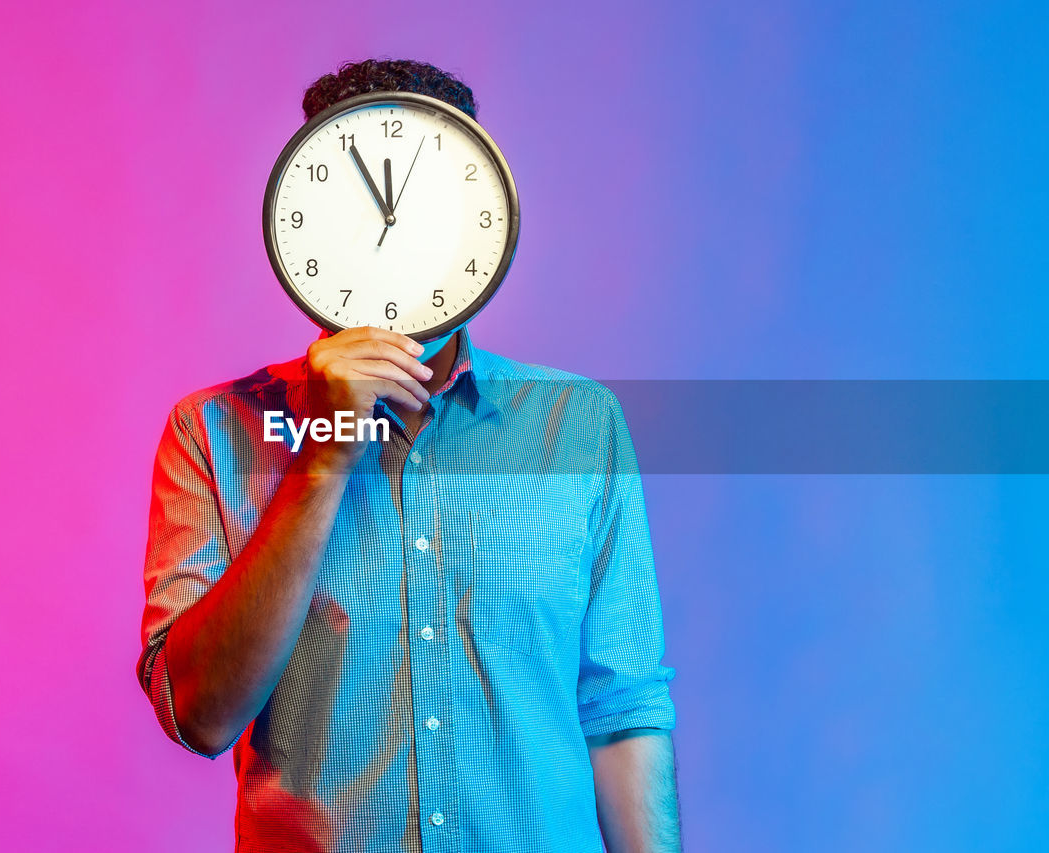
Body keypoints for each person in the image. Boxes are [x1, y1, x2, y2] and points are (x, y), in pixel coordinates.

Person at [137, 58, 682, 853]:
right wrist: (324, 451)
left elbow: (621, 712)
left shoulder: (579, 423)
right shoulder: (214, 430)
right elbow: (202, 714)